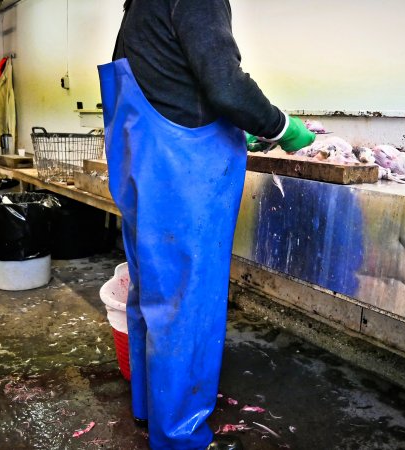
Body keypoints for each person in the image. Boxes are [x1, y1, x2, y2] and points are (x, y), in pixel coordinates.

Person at [98, 1, 315, 449]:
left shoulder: (141, 6)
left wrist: (237, 125)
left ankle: (151, 408)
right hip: (182, 170)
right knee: (187, 305)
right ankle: (179, 436)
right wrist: (282, 126)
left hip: (146, 163)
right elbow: (225, 85)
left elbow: (171, 86)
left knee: (154, 296)